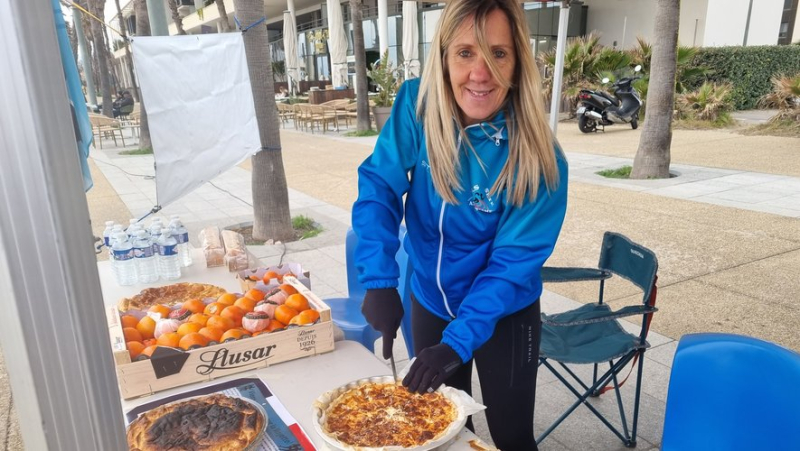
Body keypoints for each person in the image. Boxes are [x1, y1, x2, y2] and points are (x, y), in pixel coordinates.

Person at [351, 0, 568, 449]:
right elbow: (380, 186)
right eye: (466, 52)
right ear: (445, 56)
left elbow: (512, 263)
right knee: (441, 430)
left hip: (504, 313)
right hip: (429, 299)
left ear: (517, 61)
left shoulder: (541, 159)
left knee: (510, 436)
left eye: (498, 53)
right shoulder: (417, 103)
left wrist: (459, 341)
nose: (481, 73)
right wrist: (378, 278)